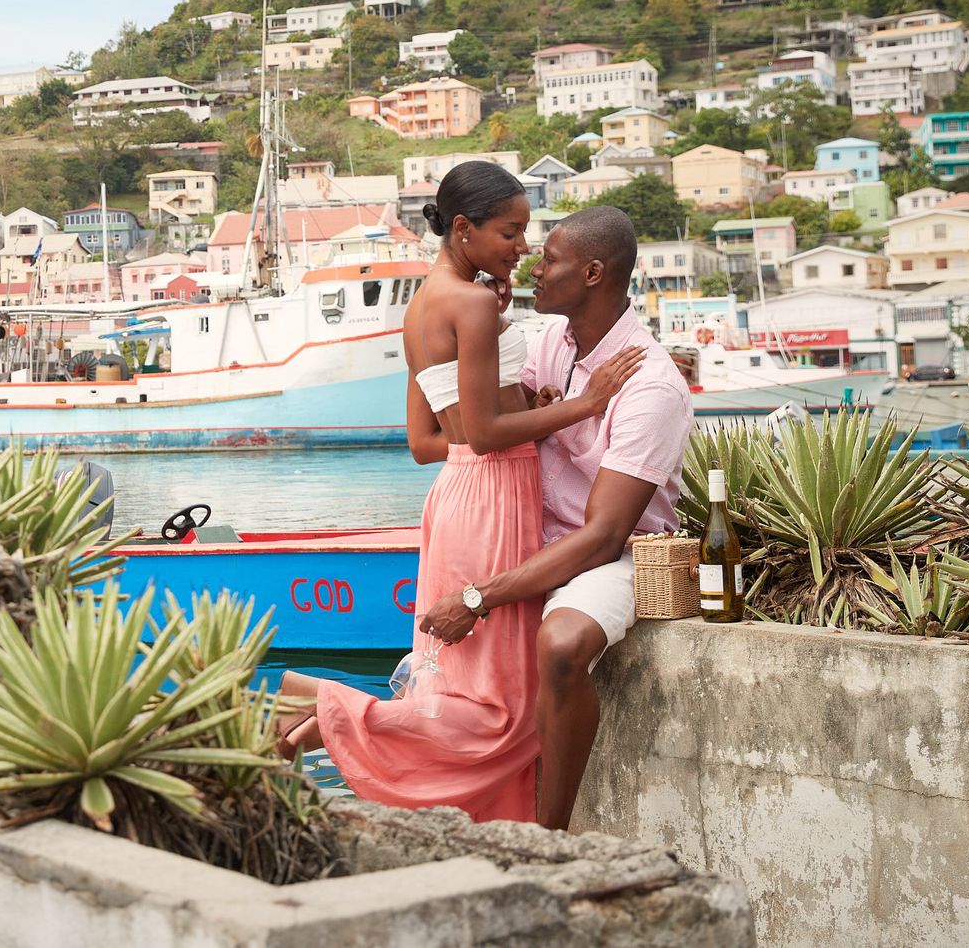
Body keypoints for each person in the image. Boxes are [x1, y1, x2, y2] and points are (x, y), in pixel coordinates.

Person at [275, 164, 644, 823]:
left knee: (471, 691)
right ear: (465, 228)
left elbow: (427, 439)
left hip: (458, 497)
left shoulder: (429, 299)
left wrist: (525, 402)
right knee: (500, 708)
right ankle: (323, 706)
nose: (523, 247)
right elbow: (485, 431)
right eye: (511, 231)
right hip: (493, 499)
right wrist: (582, 405)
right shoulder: (473, 304)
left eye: (527, 232)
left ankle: (326, 717)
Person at [416, 205, 694, 830]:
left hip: (613, 556)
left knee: (563, 645)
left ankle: (550, 837)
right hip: (529, 538)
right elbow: (474, 429)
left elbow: (602, 537)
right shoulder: (551, 343)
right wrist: (495, 314)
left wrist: (480, 595)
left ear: (593, 273)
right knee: (445, 681)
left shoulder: (651, 384)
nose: (533, 267)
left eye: (549, 260)